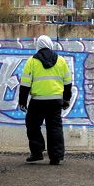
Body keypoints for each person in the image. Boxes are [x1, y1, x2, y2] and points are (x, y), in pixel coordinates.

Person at [18, 35, 72, 165]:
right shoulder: (61, 61)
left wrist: (22, 101)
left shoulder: (31, 61)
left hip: (38, 101)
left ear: (38, 46)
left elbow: (25, 83)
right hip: (55, 101)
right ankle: (56, 157)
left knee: (32, 125)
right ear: (50, 44)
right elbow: (68, 83)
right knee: (55, 128)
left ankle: (37, 152)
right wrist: (66, 100)